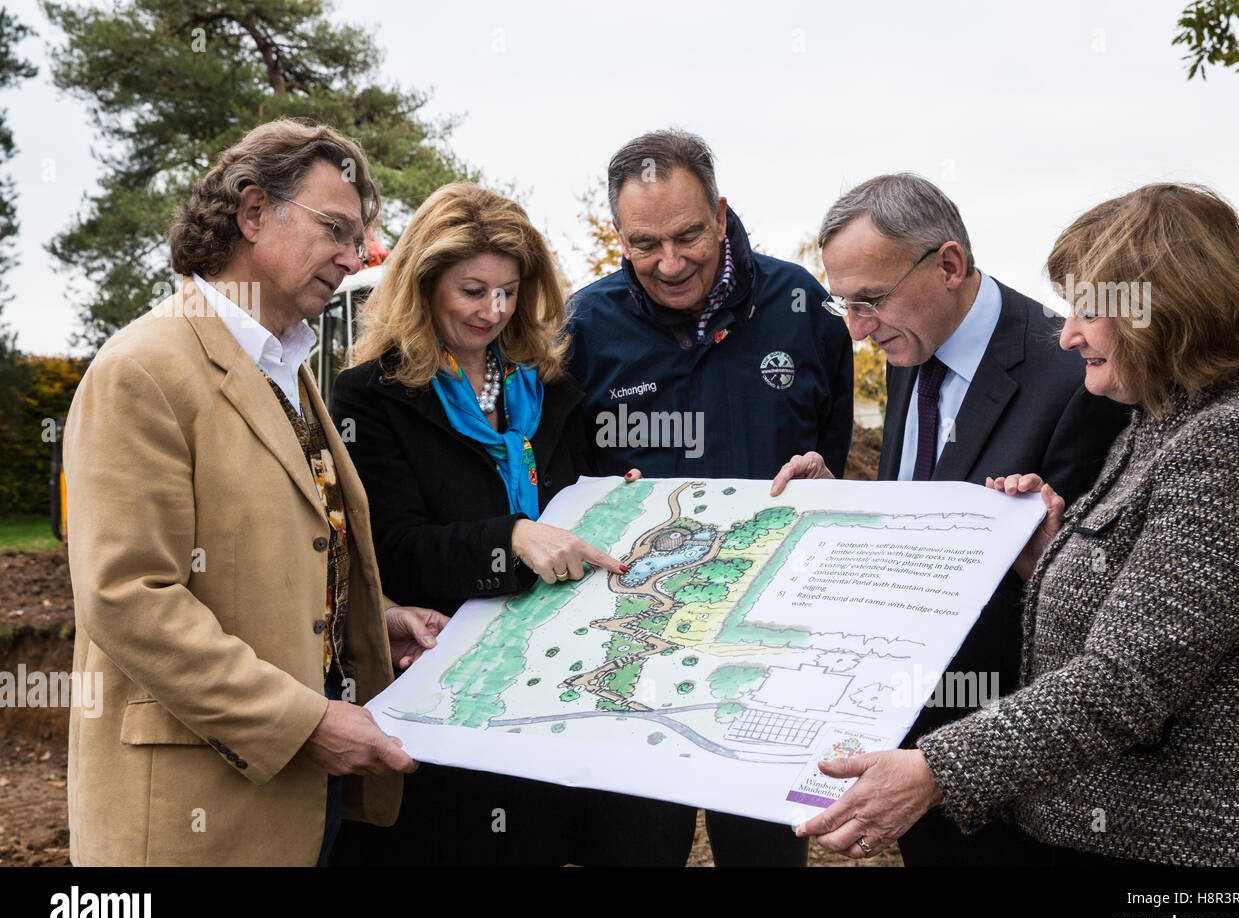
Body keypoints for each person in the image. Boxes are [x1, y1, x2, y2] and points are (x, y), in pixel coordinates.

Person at [792, 183, 1239, 866]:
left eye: (1089, 311)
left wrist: (937, 770)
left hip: (1181, 851)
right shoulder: (1161, 426)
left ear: (1164, 312)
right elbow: (1135, 611)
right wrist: (1044, 556)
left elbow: (1128, 681)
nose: (1066, 334)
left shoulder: (1232, 444)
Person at [63, 118, 447, 866]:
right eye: (336, 228)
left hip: (300, 803)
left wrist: (371, 619)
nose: (353, 256)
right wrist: (305, 723)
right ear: (250, 213)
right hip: (190, 817)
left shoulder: (287, 368)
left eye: (359, 235)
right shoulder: (142, 369)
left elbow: (283, 549)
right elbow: (129, 597)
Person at [770, 172, 1129, 865]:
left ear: (950, 266)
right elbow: (928, 522)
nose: (857, 327)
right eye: (845, 303)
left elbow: (1099, 604)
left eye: (869, 300)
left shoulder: (1079, 373)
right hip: (908, 751)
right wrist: (838, 503)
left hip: (1022, 780)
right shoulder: (914, 344)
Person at [328, 182, 688, 865]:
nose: (493, 311)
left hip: (561, 678)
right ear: (423, 284)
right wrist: (511, 539)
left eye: (509, 290)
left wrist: (618, 504)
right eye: (472, 290)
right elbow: (392, 553)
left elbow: (573, 502)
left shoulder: (550, 385)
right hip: (450, 693)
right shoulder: (370, 397)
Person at [566, 129, 854, 866]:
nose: (669, 263)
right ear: (618, 236)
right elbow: (564, 483)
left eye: (688, 235)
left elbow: (831, 448)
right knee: (632, 847)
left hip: (763, 635)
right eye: (644, 244)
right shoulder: (584, 327)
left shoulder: (803, 306)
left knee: (764, 849)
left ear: (721, 214)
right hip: (633, 631)